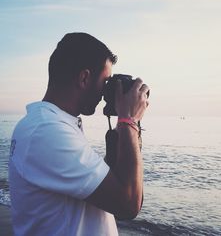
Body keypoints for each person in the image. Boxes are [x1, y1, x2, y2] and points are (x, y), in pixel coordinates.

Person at [8, 33, 149, 236]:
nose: (105, 92)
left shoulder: (54, 124)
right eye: (106, 81)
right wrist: (129, 120)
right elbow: (127, 205)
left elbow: (112, 183)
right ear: (84, 78)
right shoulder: (47, 131)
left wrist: (125, 125)